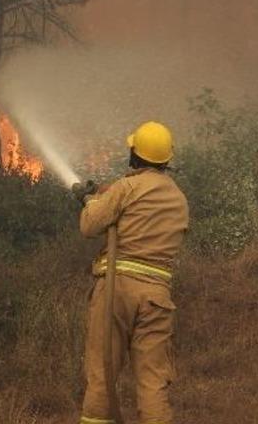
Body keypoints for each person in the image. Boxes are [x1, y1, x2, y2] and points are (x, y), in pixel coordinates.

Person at [73, 121, 189, 424]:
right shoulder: (178, 198)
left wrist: (90, 201)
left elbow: (90, 225)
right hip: (157, 296)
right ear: (166, 159)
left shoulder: (127, 187)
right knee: (153, 381)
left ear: (134, 155)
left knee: (102, 374)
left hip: (117, 288)